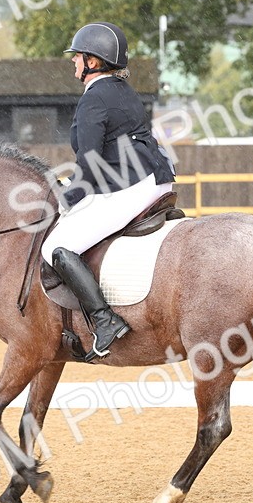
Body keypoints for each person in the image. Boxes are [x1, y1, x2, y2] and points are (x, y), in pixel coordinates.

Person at [42, 21, 176, 358]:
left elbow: (89, 164)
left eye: (78, 56)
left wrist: (66, 199)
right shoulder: (121, 90)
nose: (73, 61)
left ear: (93, 61)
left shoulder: (94, 99)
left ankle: (105, 321)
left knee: (57, 246)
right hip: (152, 178)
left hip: (132, 186)